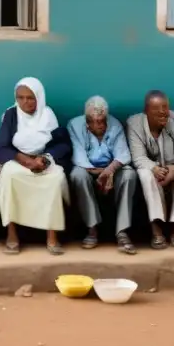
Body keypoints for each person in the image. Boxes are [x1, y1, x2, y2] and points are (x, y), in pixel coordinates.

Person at [0, 77, 72, 255]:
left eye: (30, 97)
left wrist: (44, 159)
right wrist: (25, 160)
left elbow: (63, 145)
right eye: (20, 97)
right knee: (8, 176)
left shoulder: (48, 115)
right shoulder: (11, 115)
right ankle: (12, 234)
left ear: (39, 97)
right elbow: (1, 147)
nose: (24, 102)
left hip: (44, 160)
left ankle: (52, 235)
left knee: (55, 178)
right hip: (18, 160)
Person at [127, 91, 174, 249]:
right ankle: (157, 229)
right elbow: (138, 157)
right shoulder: (134, 123)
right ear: (146, 110)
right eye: (156, 108)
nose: (162, 111)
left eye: (165, 107)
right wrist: (154, 169)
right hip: (153, 176)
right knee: (144, 174)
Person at [67, 96, 138, 254]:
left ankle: (122, 232)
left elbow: (124, 155)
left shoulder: (114, 124)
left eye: (102, 120)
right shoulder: (75, 125)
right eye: (95, 121)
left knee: (129, 175)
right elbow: (80, 159)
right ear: (87, 120)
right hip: (87, 169)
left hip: (112, 168)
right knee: (77, 175)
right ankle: (92, 229)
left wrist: (110, 171)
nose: (100, 125)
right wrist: (103, 174)